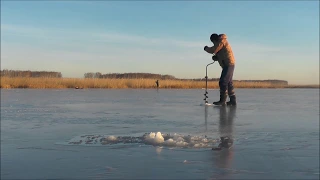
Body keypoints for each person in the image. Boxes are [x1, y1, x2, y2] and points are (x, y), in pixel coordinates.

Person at [204, 33, 237, 106]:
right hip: (228, 64)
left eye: (213, 42)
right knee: (228, 83)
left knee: (223, 81)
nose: (213, 43)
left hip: (229, 64)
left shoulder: (222, 41)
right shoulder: (220, 44)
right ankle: (233, 100)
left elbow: (214, 49)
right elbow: (221, 53)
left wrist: (206, 48)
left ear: (214, 40)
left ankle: (223, 101)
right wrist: (216, 58)